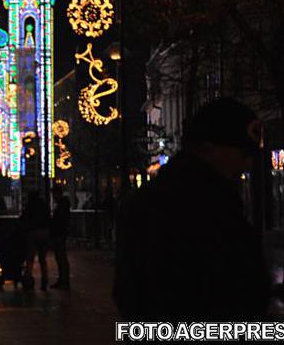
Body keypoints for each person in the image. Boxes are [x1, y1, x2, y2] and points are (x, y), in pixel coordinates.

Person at [114, 98, 270, 320]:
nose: (246, 165)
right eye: (242, 153)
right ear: (211, 147)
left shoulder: (151, 200)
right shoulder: (209, 207)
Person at [22, 190, 50, 290]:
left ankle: (28, 279)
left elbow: (24, 218)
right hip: (44, 232)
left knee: (30, 258)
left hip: (33, 232)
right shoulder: (43, 205)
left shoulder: (30, 206)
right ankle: (44, 280)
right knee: (43, 259)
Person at [50, 184, 71, 290]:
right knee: (61, 257)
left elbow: (59, 220)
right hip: (60, 232)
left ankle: (64, 280)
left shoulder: (61, 205)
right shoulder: (63, 204)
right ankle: (63, 279)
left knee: (61, 257)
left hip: (59, 233)